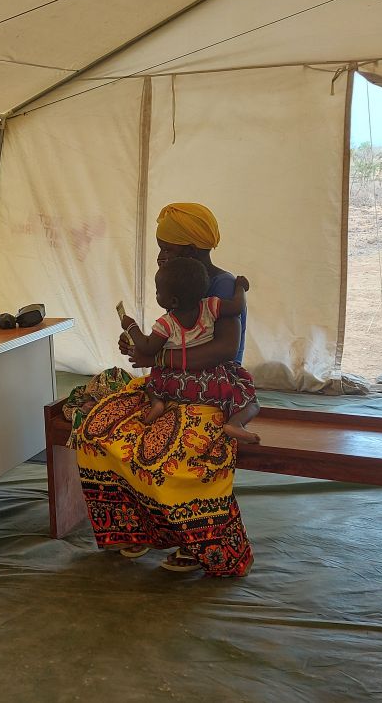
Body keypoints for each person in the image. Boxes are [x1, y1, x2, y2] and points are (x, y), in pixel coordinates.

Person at [75, 202, 254, 575]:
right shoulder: (186, 283)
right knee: (96, 431)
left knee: (171, 456)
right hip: (172, 387)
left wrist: (157, 361)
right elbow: (166, 340)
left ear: (189, 251)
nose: (160, 257)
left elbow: (222, 350)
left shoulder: (219, 287)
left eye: (166, 249)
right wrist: (140, 348)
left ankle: (196, 544)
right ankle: (137, 530)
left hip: (210, 392)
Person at [121, 258, 260, 443]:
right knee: (250, 399)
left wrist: (131, 328)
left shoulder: (166, 324)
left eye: (157, 292)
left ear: (173, 301)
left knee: (151, 384)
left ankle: (157, 403)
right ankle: (235, 424)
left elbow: (147, 348)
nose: (156, 295)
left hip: (173, 384)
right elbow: (237, 306)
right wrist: (241, 287)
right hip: (210, 383)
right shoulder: (211, 306)